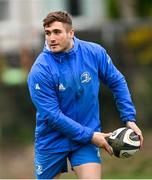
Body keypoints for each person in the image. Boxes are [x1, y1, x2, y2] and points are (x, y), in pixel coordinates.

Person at [27, 11, 143, 179]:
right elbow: (52, 116)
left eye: (57, 32)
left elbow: (117, 81)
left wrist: (129, 118)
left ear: (71, 33)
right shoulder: (40, 70)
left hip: (85, 140)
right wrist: (91, 136)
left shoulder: (94, 53)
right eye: (47, 33)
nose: (51, 38)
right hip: (52, 140)